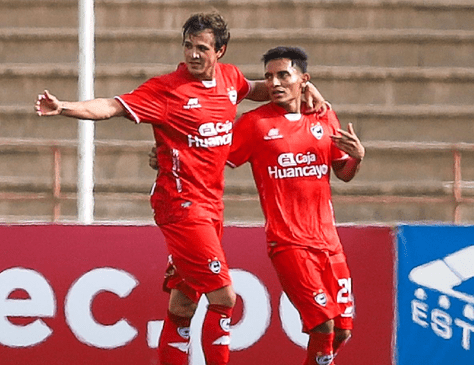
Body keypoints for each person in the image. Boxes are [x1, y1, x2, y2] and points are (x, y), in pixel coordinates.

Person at [36, 13, 326, 365]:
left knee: (184, 303)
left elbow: (258, 88)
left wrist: (305, 88)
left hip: (211, 206)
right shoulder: (167, 90)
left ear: (220, 50)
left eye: (201, 48)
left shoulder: (229, 79)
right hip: (181, 207)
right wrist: (65, 107)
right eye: (188, 46)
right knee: (224, 297)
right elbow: (112, 105)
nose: (192, 54)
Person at [226, 46, 365, 365]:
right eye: (268, 76)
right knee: (322, 324)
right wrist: (168, 156)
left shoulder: (323, 114)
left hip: (330, 245)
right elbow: (217, 157)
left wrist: (357, 157)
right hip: (289, 243)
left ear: (304, 79)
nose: (274, 82)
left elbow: (342, 173)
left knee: (342, 330)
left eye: (282, 75)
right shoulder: (254, 123)